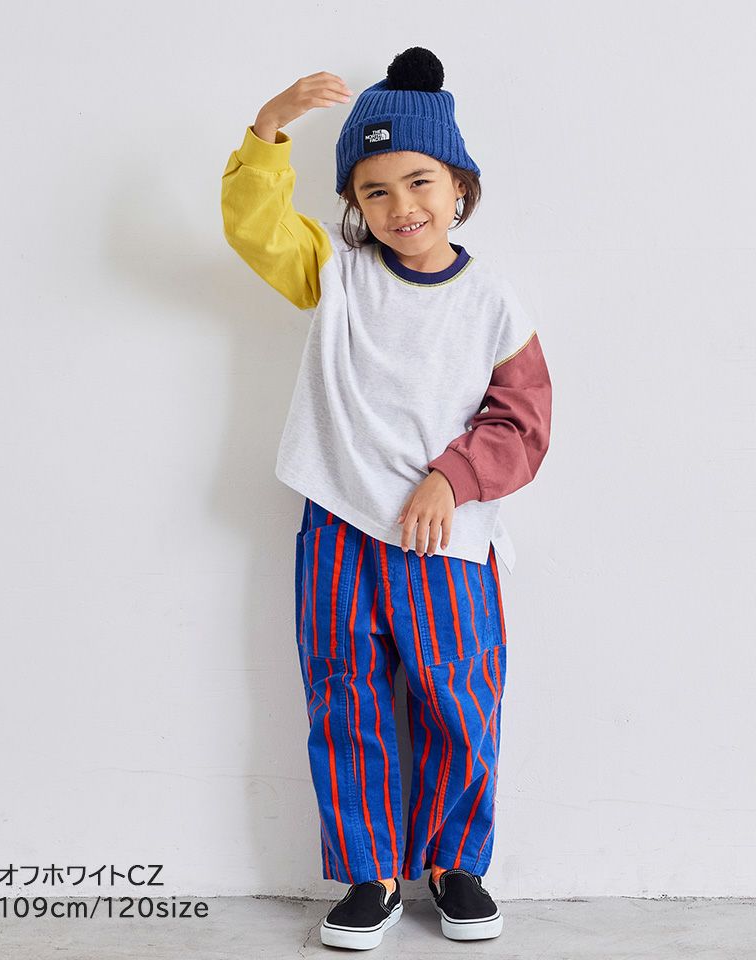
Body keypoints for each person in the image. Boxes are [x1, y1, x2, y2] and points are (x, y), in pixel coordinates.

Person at [221, 46, 552, 949]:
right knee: (346, 698)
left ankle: (454, 866)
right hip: (338, 523)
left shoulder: (492, 302)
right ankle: (369, 874)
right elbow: (257, 231)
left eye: (419, 182)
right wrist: (268, 128)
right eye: (374, 191)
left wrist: (453, 476)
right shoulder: (335, 274)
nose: (401, 205)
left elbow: (523, 422)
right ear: (354, 205)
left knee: (459, 697)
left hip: (448, 537)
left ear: (459, 187)